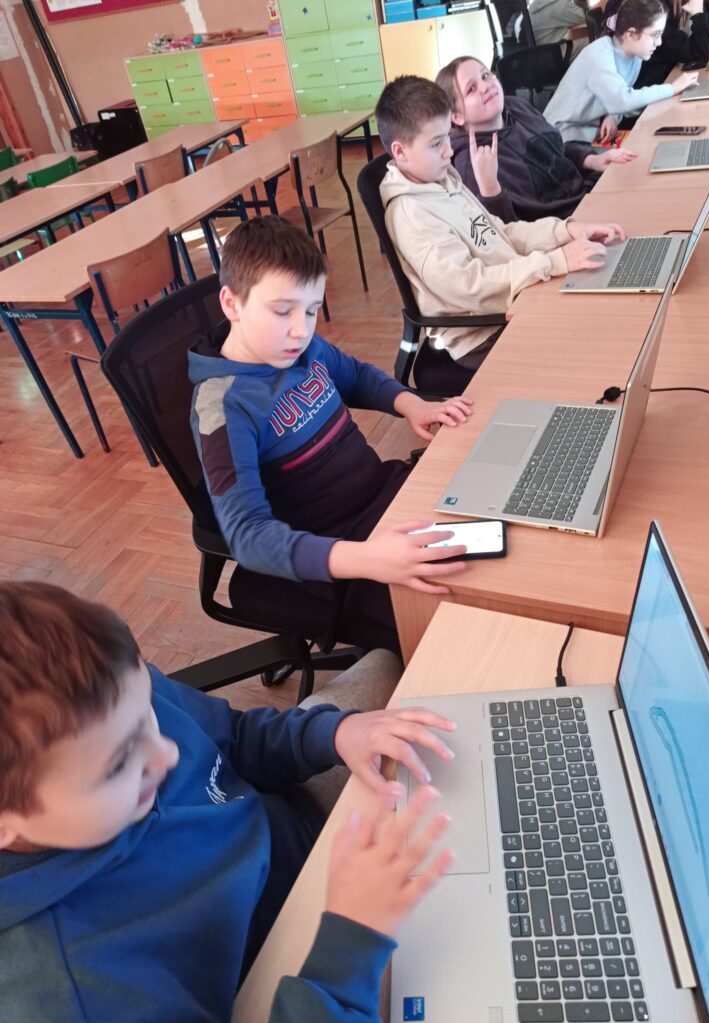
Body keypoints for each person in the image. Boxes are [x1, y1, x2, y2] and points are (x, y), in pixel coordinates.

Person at [0, 580, 456, 1023]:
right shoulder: (68, 993)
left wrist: (332, 733)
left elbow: (233, 737)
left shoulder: (103, 693)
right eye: (120, 764)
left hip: (302, 845)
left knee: (407, 681)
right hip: (307, 970)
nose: (167, 754)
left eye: (149, 713)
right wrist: (350, 944)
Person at [188, 215, 473, 656]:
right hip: (338, 555)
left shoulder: (301, 348)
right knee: (461, 626)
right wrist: (370, 559)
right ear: (232, 304)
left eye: (311, 310)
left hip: (385, 495)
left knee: (493, 538)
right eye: (282, 311)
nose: (301, 329)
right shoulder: (224, 408)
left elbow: (355, 375)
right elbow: (248, 537)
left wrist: (410, 403)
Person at [374, 75, 626, 373]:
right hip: (483, 333)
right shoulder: (413, 215)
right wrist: (554, 262)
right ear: (400, 152)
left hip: (512, 296)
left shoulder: (440, 179)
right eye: (436, 143)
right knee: (595, 341)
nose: (448, 150)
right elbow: (470, 287)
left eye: (446, 137)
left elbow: (499, 231)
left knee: (604, 295)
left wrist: (566, 231)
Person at [435, 55, 637, 223]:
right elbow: (506, 234)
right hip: (566, 227)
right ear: (456, 116)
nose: (485, 86)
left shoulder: (515, 107)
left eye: (485, 75)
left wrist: (593, 160)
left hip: (588, 195)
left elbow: (554, 150)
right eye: (471, 89)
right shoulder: (471, 163)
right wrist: (491, 191)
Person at [543, 0, 700, 144]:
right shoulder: (599, 55)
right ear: (630, 34)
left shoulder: (634, 56)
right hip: (560, 139)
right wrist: (672, 88)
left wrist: (612, 115)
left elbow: (618, 96)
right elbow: (624, 100)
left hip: (592, 132)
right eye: (655, 35)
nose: (659, 43)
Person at [604, 0, 709, 89]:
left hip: (660, 87)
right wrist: (698, 13)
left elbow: (679, 42)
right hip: (644, 103)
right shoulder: (651, 10)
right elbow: (698, 56)